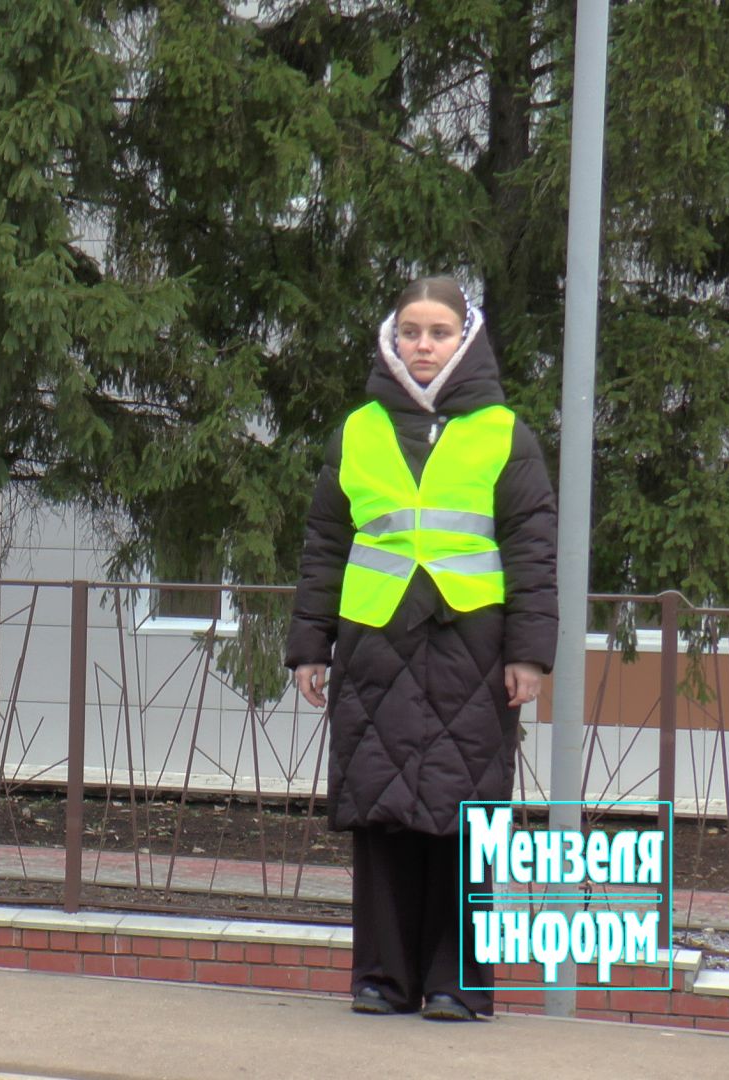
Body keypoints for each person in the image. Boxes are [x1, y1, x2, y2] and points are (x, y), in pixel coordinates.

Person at [285, 276, 556, 1020]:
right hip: (374, 647)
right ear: (391, 339)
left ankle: (457, 986)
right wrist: (311, 645)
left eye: (440, 331)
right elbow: (325, 545)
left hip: (473, 652)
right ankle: (382, 978)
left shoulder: (507, 433)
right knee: (380, 812)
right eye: (412, 331)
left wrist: (530, 655)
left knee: (466, 815)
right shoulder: (358, 430)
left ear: (465, 340)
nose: (425, 344)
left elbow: (533, 553)